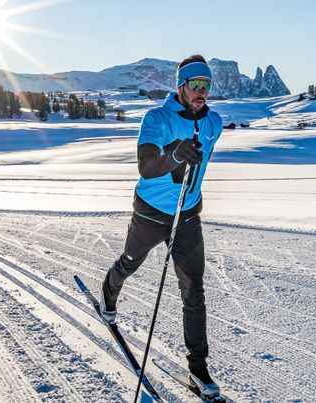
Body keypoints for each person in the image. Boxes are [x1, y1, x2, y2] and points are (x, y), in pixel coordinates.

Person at [101, 55, 223, 397]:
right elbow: (146, 166)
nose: (201, 92)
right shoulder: (156, 118)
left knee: (193, 288)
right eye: (195, 85)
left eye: (206, 86)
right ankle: (108, 293)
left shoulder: (215, 122)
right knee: (130, 262)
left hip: (187, 216)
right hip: (151, 213)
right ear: (180, 86)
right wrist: (175, 154)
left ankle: (198, 367)